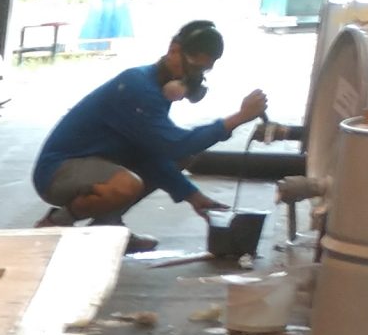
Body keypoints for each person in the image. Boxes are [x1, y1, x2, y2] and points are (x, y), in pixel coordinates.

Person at [31, 19, 271, 247]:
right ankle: (56, 222)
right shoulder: (138, 87)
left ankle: (108, 229)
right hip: (58, 171)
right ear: (174, 50)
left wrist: (193, 196)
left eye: (204, 70)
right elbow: (175, 145)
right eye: (194, 68)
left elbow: (152, 155)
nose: (195, 77)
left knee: (177, 158)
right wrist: (239, 117)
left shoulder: (155, 89)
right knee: (128, 184)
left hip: (99, 162)